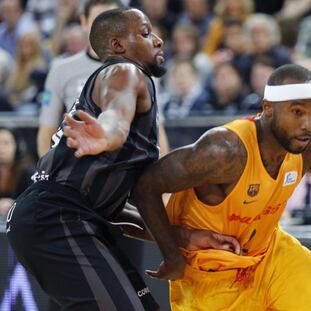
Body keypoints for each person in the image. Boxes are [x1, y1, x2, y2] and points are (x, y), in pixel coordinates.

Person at [128, 64, 311, 310]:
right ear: (267, 108)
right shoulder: (224, 150)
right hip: (211, 274)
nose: (308, 124)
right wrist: (172, 254)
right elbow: (144, 186)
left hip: (270, 256)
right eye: (297, 112)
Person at [6, 8, 217, 310]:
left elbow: (114, 211)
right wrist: (107, 134)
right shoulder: (125, 72)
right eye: (145, 33)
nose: (158, 40)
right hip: (55, 218)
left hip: (65, 217)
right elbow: (115, 117)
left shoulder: (133, 86)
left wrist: (184, 236)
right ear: (118, 46)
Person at [36, 0, 124, 157]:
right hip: (77, 163)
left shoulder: (140, 69)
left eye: (111, 20)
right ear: (84, 22)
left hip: (126, 163)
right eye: (98, 19)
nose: (105, 27)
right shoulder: (61, 68)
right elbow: (46, 129)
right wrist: (46, 172)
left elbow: (158, 127)